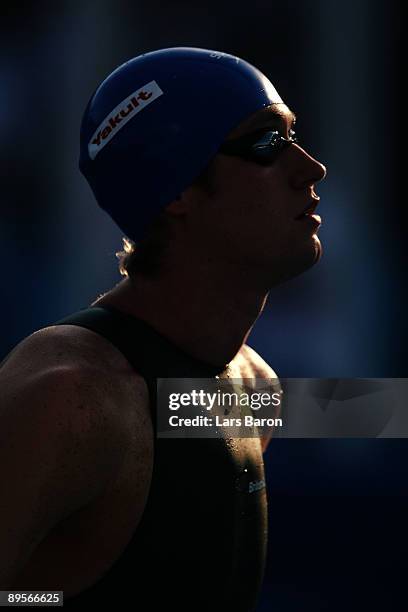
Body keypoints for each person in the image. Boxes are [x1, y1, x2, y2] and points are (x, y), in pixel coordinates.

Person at [0, 47, 326, 610]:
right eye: (268, 143)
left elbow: (200, 412)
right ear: (176, 188)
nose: (311, 168)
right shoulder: (73, 395)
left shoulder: (248, 384)